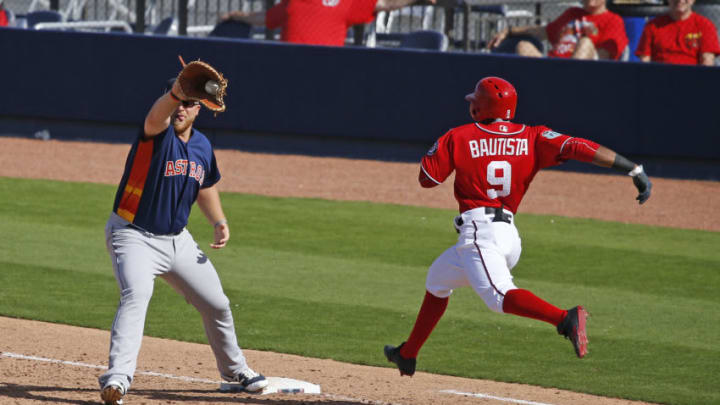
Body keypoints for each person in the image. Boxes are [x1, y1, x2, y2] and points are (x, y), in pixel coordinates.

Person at [384, 76, 652, 376]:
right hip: (508, 236)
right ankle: (407, 354)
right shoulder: (533, 135)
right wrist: (633, 168)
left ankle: (565, 319)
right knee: (437, 279)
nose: (471, 103)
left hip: (479, 234)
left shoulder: (459, 136)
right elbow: (578, 147)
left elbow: (427, 180)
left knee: (499, 298)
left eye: (475, 100)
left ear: (480, 107)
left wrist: (440, 144)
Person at [98, 76, 268, 404]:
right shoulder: (156, 134)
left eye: (189, 103)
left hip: (178, 242)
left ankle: (235, 372)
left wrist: (218, 221)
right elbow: (154, 116)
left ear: (199, 109)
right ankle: (117, 380)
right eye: (176, 100)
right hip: (133, 235)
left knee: (216, 303)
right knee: (137, 295)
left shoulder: (203, 146)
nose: (181, 108)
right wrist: (176, 93)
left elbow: (204, 184)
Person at [220, 0, 435, 47]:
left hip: (326, 68)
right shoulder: (293, 2)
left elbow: (386, 4)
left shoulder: (346, 2)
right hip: (287, 66)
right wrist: (237, 15)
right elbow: (265, 19)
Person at [487, 0, 628, 61]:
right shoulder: (572, 13)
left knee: (585, 42)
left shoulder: (614, 20)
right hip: (552, 65)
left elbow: (604, 57)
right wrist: (509, 31)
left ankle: (566, 82)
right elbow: (542, 31)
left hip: (585, 73)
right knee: (523, 46)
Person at [635, 0, 720, 66]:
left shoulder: (705, 26)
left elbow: (707, 62)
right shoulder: (652, 26)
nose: (680, 0)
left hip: (692, 81)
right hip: (660, 80)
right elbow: (644, 61)